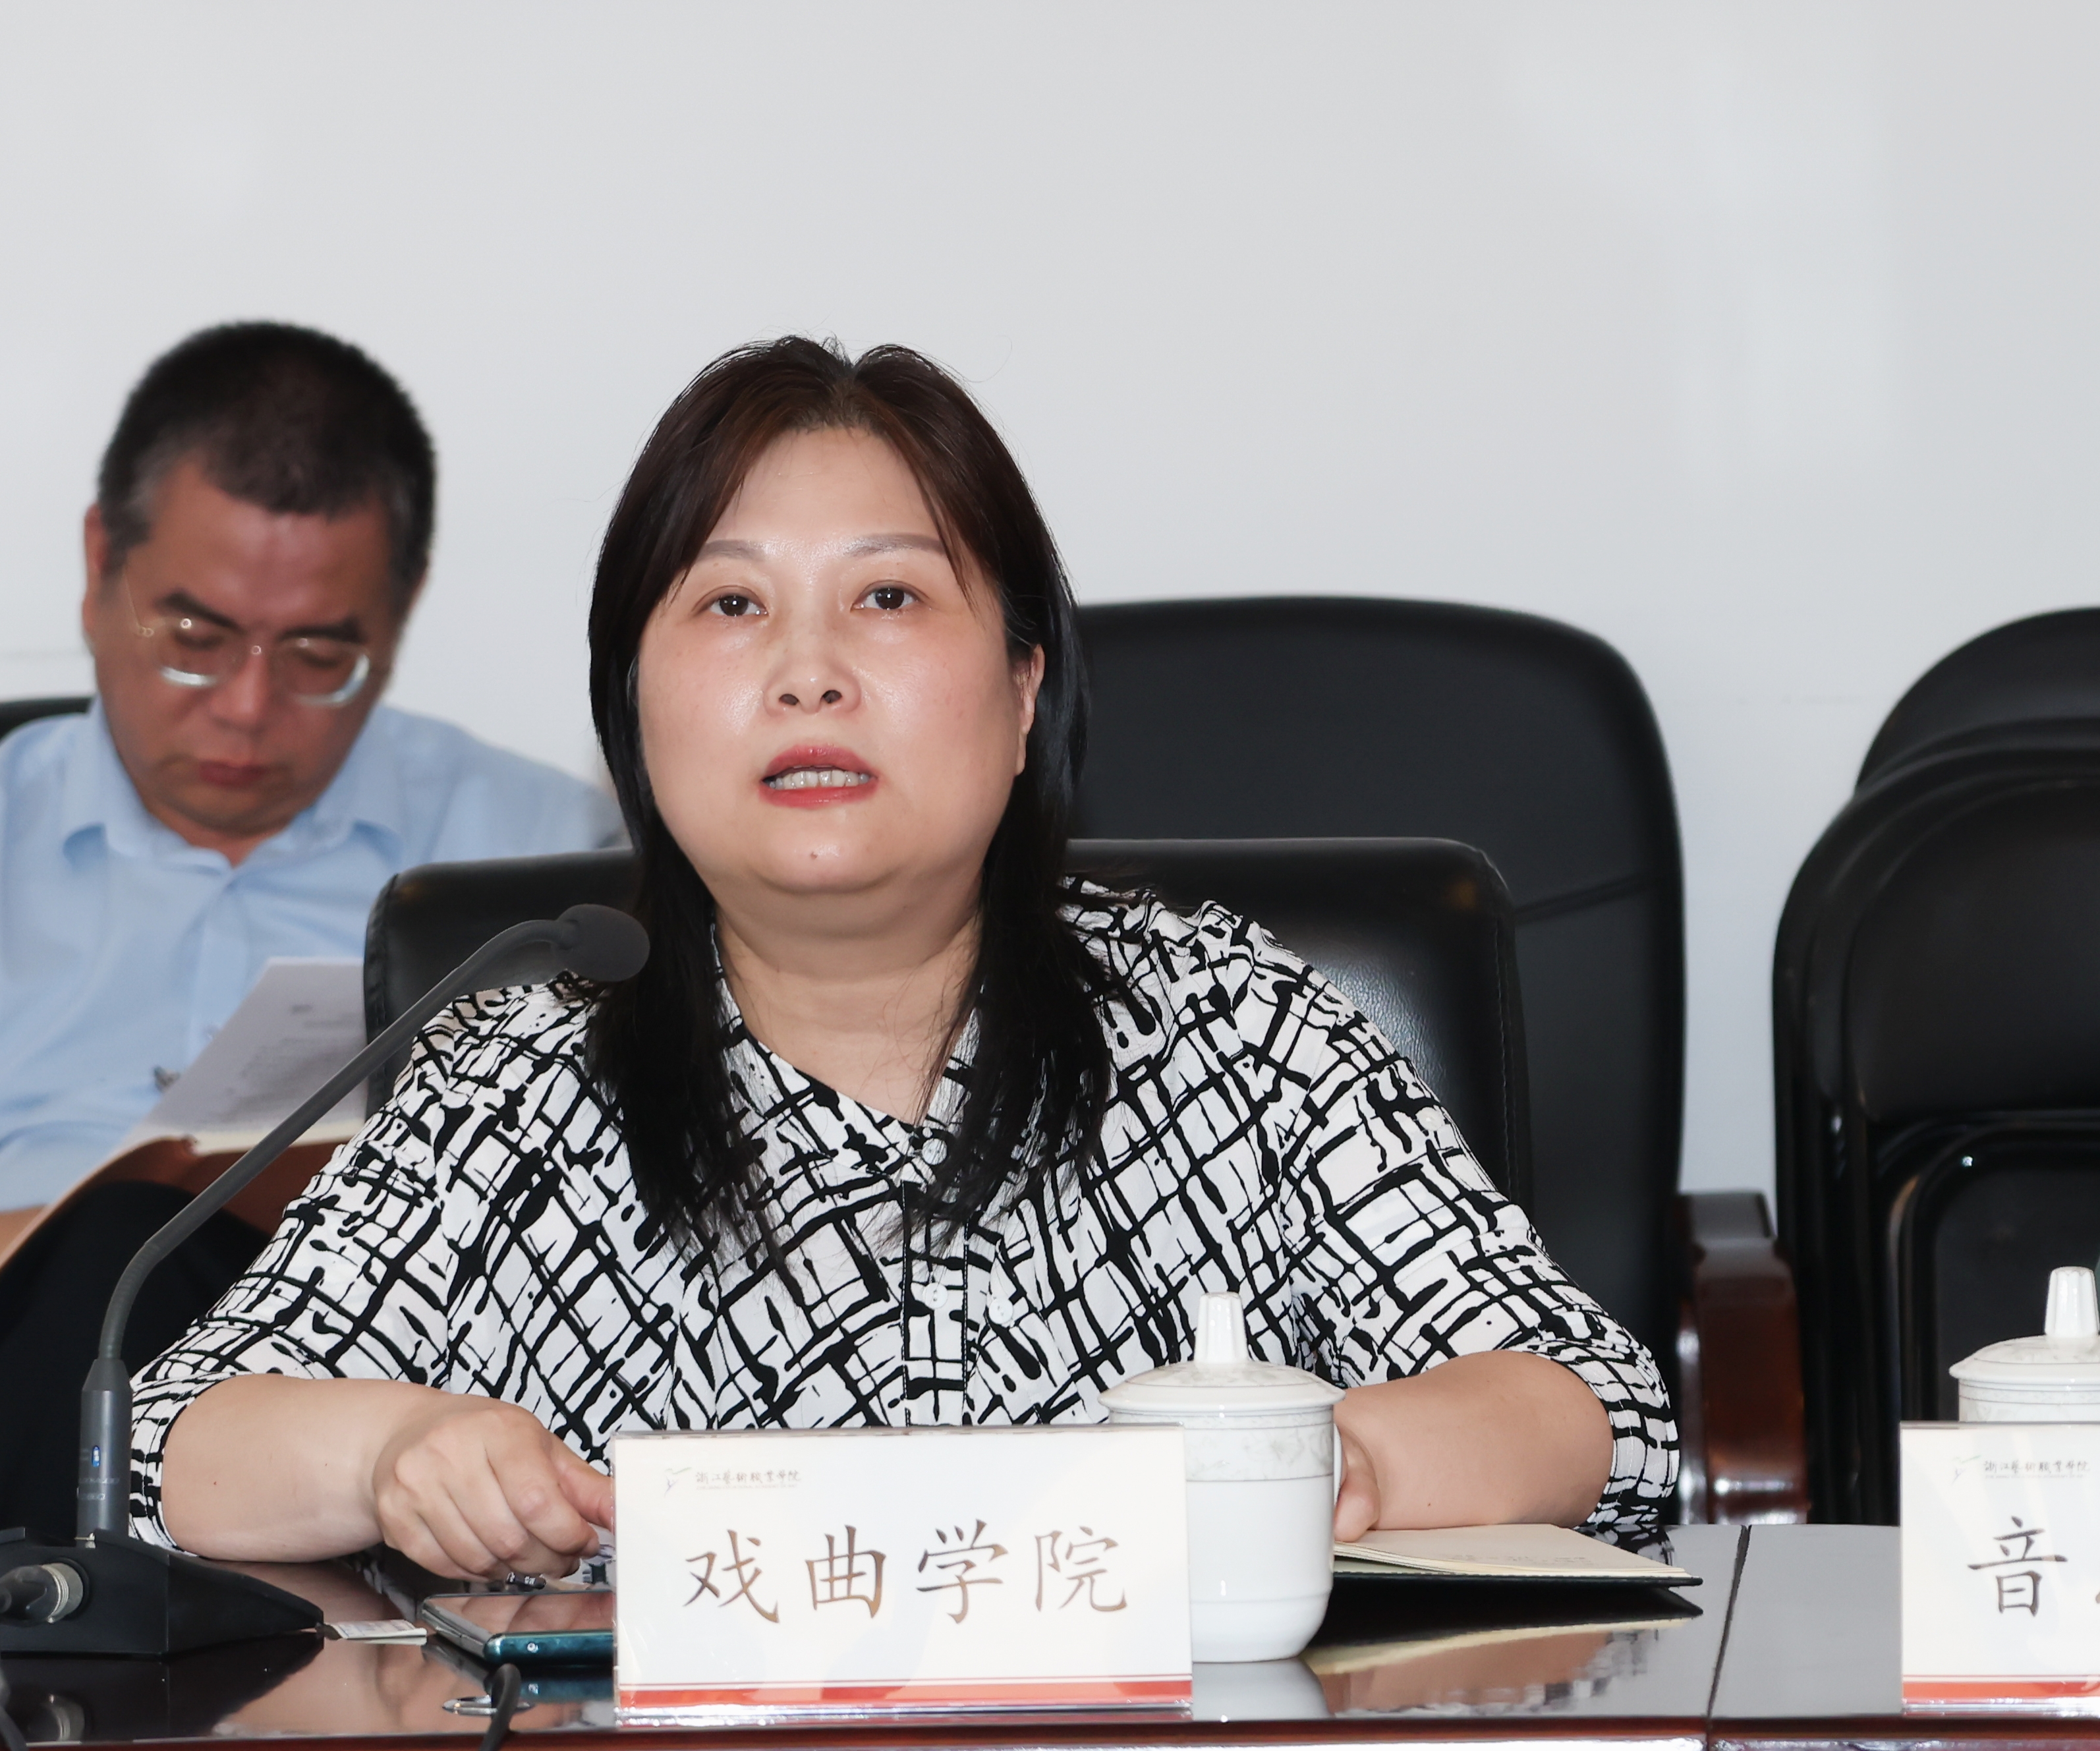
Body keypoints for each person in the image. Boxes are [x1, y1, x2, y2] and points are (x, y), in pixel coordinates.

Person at [130, 337, 1676, 1578]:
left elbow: (1588, 1410)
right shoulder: (515, 1088)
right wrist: (390, 1455)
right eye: (730, 603)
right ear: (635, 716)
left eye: (886, 598)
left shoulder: (1230, 1025)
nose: (807, 671)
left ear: (1021, 693)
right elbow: (169, 1447)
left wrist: (1338, 1465)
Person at [0, 323, 619, 1537]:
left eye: (319, 652)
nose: (248, 706)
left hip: (395, 1417)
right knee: (122, 1252)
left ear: (401, 609)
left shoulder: (544, 858)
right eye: (196, 638)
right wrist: (118, 1257)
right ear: (98, 564)